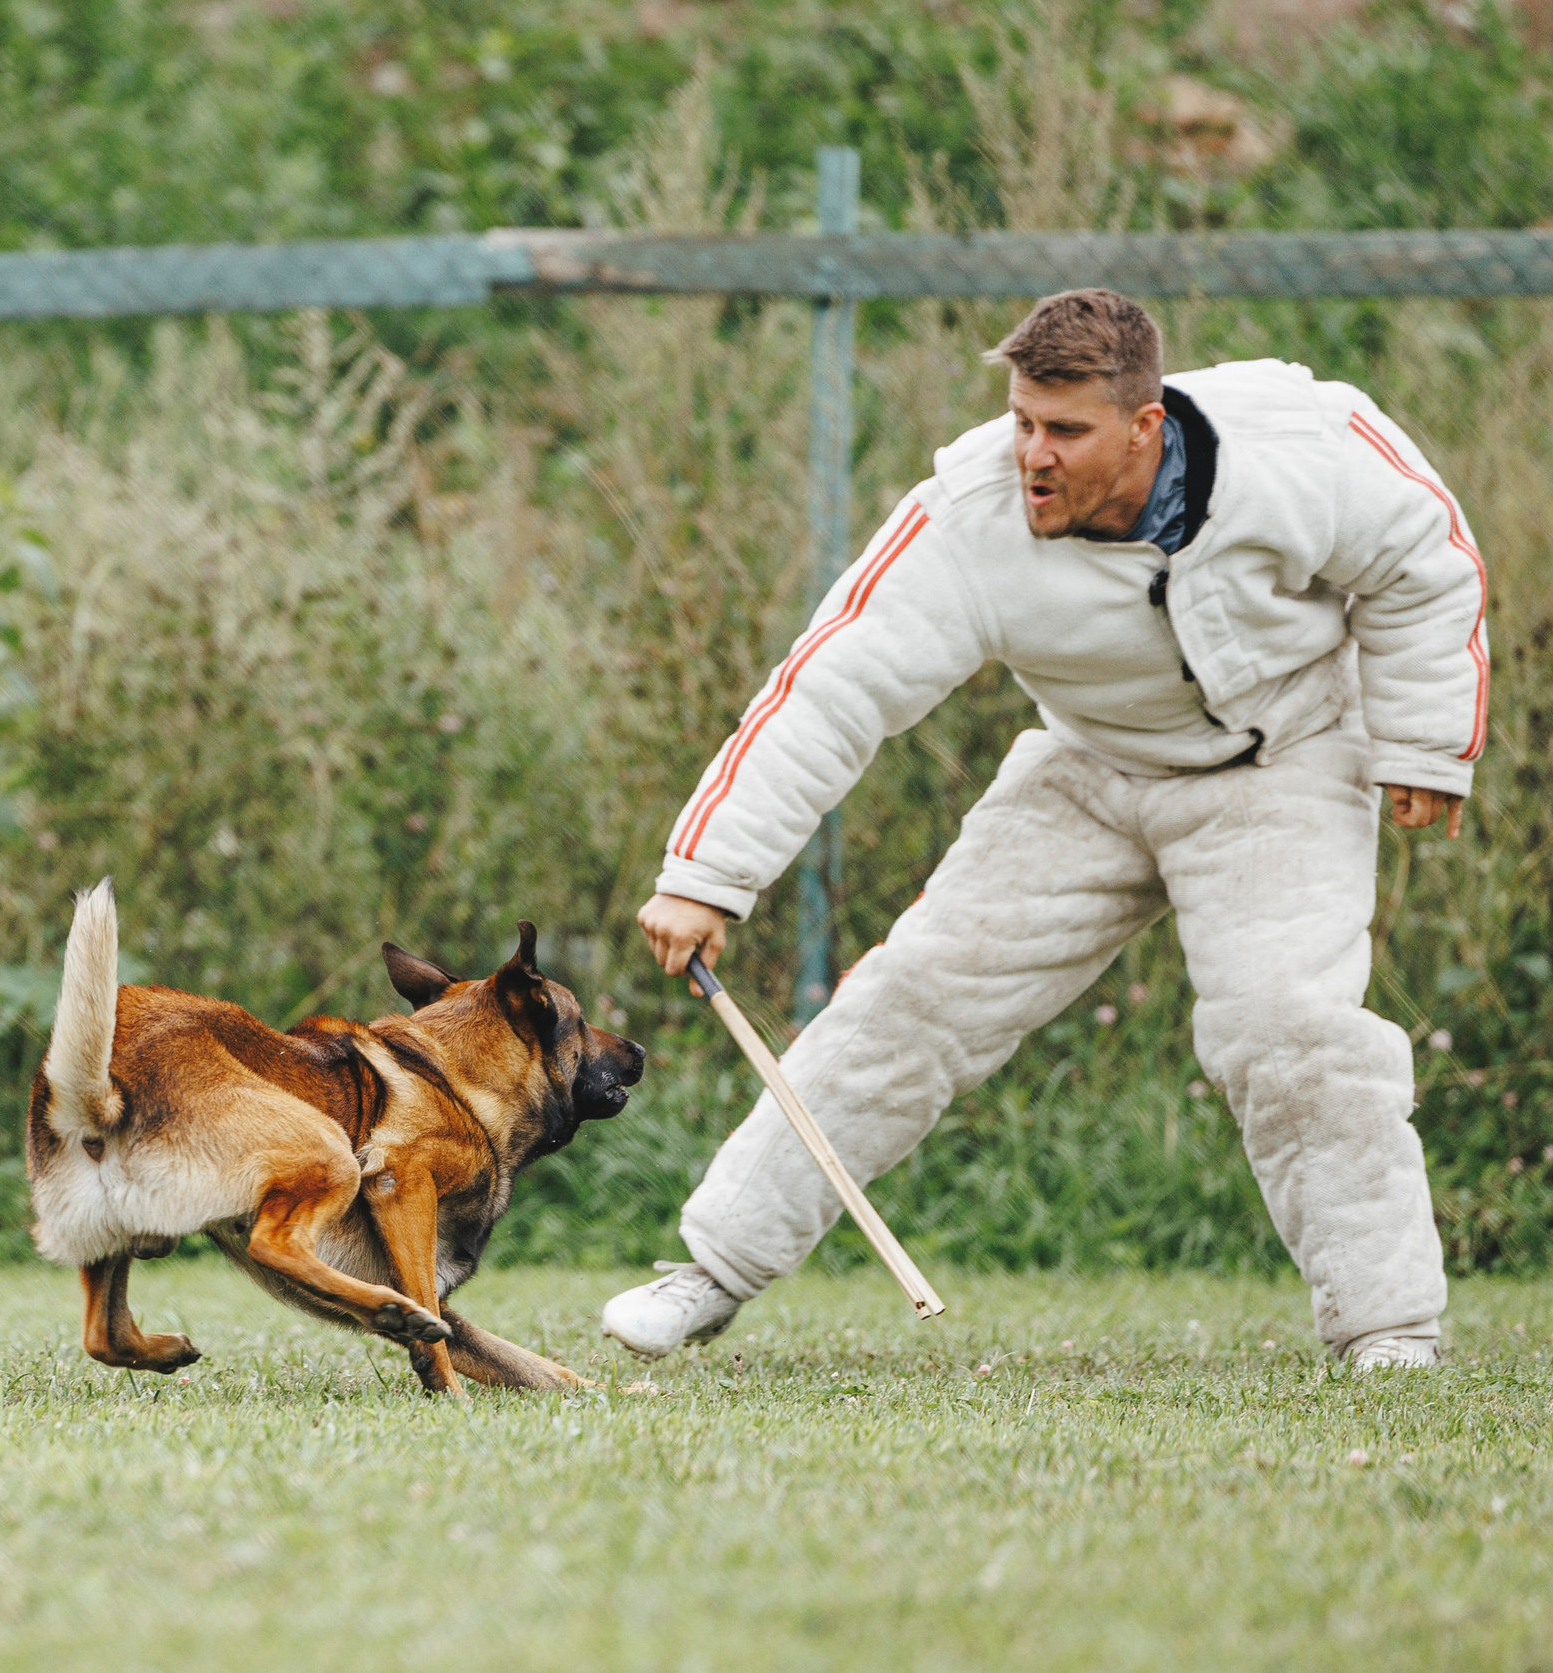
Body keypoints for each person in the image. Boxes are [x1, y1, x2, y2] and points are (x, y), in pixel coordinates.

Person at [603, 289, 1486, 1371]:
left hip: (1288, 761)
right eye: (1022, 420)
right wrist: (707, 871)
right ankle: (713, 1269)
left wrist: (1426, 742)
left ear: (1143, 425)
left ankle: (1386, 1328)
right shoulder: (965, 516)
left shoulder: (1302, 447)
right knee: (908, 996)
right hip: (1087, 766)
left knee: (1290, 1029)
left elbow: (1424, 559)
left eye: (1064, 429)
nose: (1032, 452)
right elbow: (833, 687)